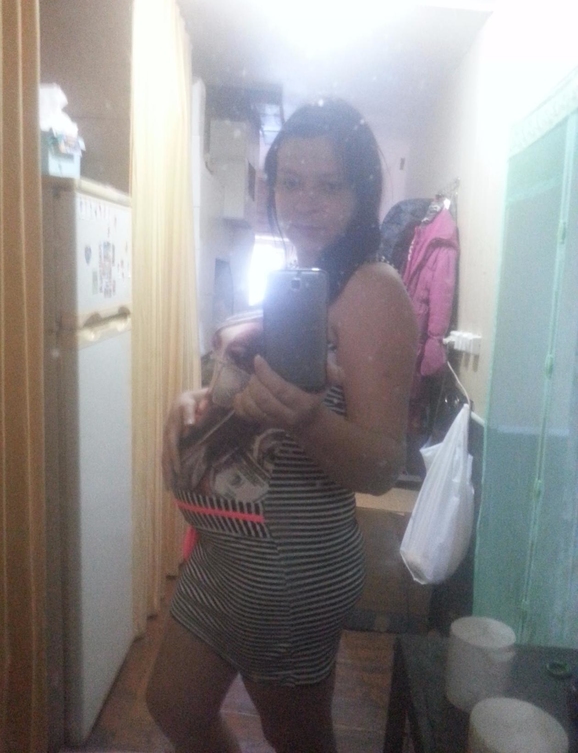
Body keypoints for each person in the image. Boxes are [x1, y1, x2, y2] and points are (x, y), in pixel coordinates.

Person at [146, 98, 418, 753]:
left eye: (329, 185)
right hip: (226, 558)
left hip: (289, 568)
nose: (304, 202)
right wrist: (202, 399)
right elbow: (261, 392)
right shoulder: (301, 276)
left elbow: (384, 466)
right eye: (291, 182)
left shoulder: (372, 289)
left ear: (362, 193)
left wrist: (306, 421)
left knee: (297, 739)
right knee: (173, 708)